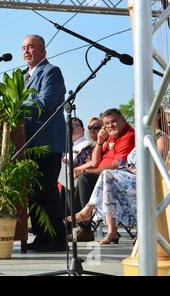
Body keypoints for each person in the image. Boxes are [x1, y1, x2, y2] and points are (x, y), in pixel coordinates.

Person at [72, 107, 169, 244]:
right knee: (107, 178)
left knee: (107, 175)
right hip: (129, 177)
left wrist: (132, 169)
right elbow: (99, 162)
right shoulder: (141, 139)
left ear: (157, 117)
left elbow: (155, 166)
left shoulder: (161, 138)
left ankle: (88, 211)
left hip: (147, 180)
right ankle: (110, 230)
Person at [22, 34, 67, 252]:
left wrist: (17, 107)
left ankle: (56, 239)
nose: (26, 51)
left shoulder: (51, 72)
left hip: (47, 142)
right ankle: (41, 236)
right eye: (24, 47)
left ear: (43, 51)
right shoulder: (22, 77)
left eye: (31, 46)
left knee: (46, 190)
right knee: (34, 192)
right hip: (28, 142)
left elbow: (46, 102)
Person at [71, 108, 135, 242]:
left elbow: (116, 165)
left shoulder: (128, 136)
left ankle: (85, 229)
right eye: (106, 124)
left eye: (113, 122)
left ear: (123, 120)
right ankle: (64, 226)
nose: (110, 126)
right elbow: (96, 161)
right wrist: (100, 142)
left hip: (116, 178)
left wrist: (86, 171)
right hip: (103, 175)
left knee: (84, 178)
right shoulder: (111, 136)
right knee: (67, 186)